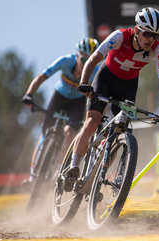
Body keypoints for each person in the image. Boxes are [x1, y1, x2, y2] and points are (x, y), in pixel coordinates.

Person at [64, 7, 159, 192]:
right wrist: (84, 82)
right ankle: (73, 167)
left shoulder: (158, 50)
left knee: (119, 130)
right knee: (92, 121)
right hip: (105, 79)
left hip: (128, 86)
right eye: (147, 33)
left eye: (155, 36)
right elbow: (93, 58)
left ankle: (101, 163)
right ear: (137, 29)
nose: (151, 39)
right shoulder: (120, 36)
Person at [21, 37, 100, 189]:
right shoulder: (65, 61)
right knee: (44, 136)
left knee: (70, 133)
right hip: (58, 98)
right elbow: (42, 77)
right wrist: (29, 94)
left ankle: (58, 173)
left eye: (90, 60)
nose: (85, 63)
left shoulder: (94, 71)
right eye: (83, 58)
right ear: (77, 55)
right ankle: (32, 177)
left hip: (77, 103)